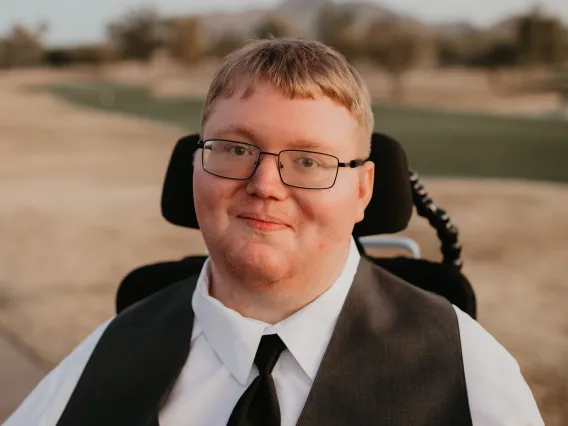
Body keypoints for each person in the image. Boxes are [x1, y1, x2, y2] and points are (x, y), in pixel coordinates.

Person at [4, 38, 544, 426]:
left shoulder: (468, 371)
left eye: (309, 160)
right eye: (236, 149)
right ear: (193, 168)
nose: (264, 184)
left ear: (363, 189)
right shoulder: (106, 354)